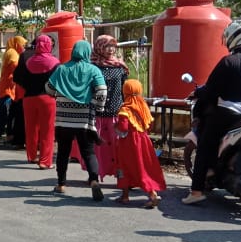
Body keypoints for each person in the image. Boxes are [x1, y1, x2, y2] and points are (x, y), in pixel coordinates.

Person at [182, 19, 241, 205]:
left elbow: (211, 90)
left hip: (228, 114)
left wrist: (198, 98)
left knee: (205, 146)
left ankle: (197, 191)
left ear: (233, 38)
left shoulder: (228, 62)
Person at [46, 40, 107, 200]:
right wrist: (97, 107)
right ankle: (94, 181)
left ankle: (61, 184)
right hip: (84, 120)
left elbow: (49, 88)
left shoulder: (61, 69)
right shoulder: (94, 70)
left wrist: (59, 95)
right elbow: (102, 91)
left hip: (63, 120)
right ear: (88, 52)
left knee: (63, 153)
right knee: (89, 152)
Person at [114, 79, 166, 208]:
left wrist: (115, 126)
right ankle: (147, 193)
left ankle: (128, 196)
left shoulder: (125, 109)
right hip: (143, 142)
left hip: (128, 143)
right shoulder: (143, 106)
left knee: (124, 167)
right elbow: (148, 125)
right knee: (143, 167)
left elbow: (123, 128)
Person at [13, 35, 59, 169]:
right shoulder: (55, 62)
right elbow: (57, 82)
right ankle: (45, 161)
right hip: (48, 98)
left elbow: (18, 78)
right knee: (47, 130)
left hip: (28, 98)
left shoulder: (28, 61)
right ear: (49, 45)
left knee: (31, 128)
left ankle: (31, 156)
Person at [91, 35, 129, 180]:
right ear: (99, 47)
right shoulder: (92, 67)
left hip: (115, 112)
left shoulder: (120, 67)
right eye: (107, 46)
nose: (111, 50)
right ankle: (95, 174)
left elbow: (125, 90)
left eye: (113, 46)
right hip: (97, 113)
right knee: (98, 147)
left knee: (117, 146)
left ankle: (120, 173)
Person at [0, 36, 27, 146]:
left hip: (11, 87)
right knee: (4, 113)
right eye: (23, 45)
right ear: (16, 44)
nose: (24, 47)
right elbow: (15, 67)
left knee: (11, 113)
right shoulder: (12, 52)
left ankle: (9, 135)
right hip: (7, 88)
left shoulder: (14, 52)